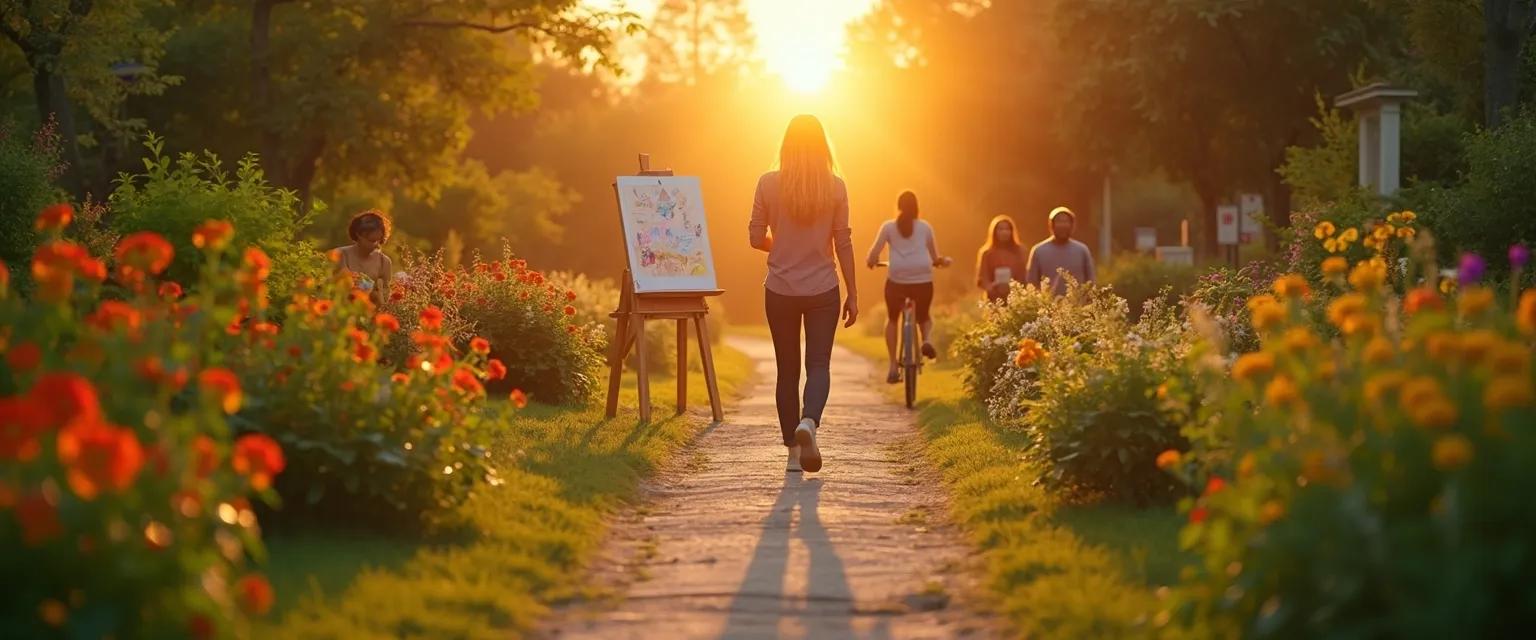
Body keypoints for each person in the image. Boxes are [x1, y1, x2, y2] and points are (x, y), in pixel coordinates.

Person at [749, 114, 859, 474]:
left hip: (780, 288)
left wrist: (782, 247)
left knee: (787, 370)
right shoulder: (836, 186)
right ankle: (809, 422)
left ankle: (793, 454)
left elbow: (754, 238)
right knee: (818, 364)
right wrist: (853, 293)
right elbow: (843, 242)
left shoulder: (767, 183)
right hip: (823, 288)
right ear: (822, 146)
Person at [866, 191, 950, 384]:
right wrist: (940, 262)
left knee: (893, 318)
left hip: (897, 278)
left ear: (898, 206)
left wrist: (871, 261)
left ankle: (893, 366)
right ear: (917, 207)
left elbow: (874, 252)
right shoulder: (925, 227)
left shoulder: (888, 227)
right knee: (924, 315)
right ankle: (927, 339)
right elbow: (935, 257)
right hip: (922, 278)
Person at [1024, 206, 1096, 296]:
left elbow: (1091, 281)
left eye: (1066, 222)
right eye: (1059, 222)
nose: (1063, 225)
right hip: (1047, 307)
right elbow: (1031, 283)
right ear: (1052, 225)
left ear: (1072, 225)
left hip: (1077, 307)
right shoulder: (1039, 250)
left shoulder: (1082, 250)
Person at [334, 210, 393, 306]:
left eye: (379, 240)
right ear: (358, 235)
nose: (377, 245)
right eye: (372, 241)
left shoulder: (384, 262)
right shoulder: (340, 255)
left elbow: (385, 296)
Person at [975, 214, 1028, 303]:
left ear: (1012, 231)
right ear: (994, 232)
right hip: (994, 300)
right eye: (1000, 229)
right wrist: (991, 288)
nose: (1004, 232)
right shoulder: (987, 253)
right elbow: (982, 278)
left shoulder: (1020, 251)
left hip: (1016, 299)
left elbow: (1025, 275)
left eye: (1007, 229)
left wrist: (1015, 287)